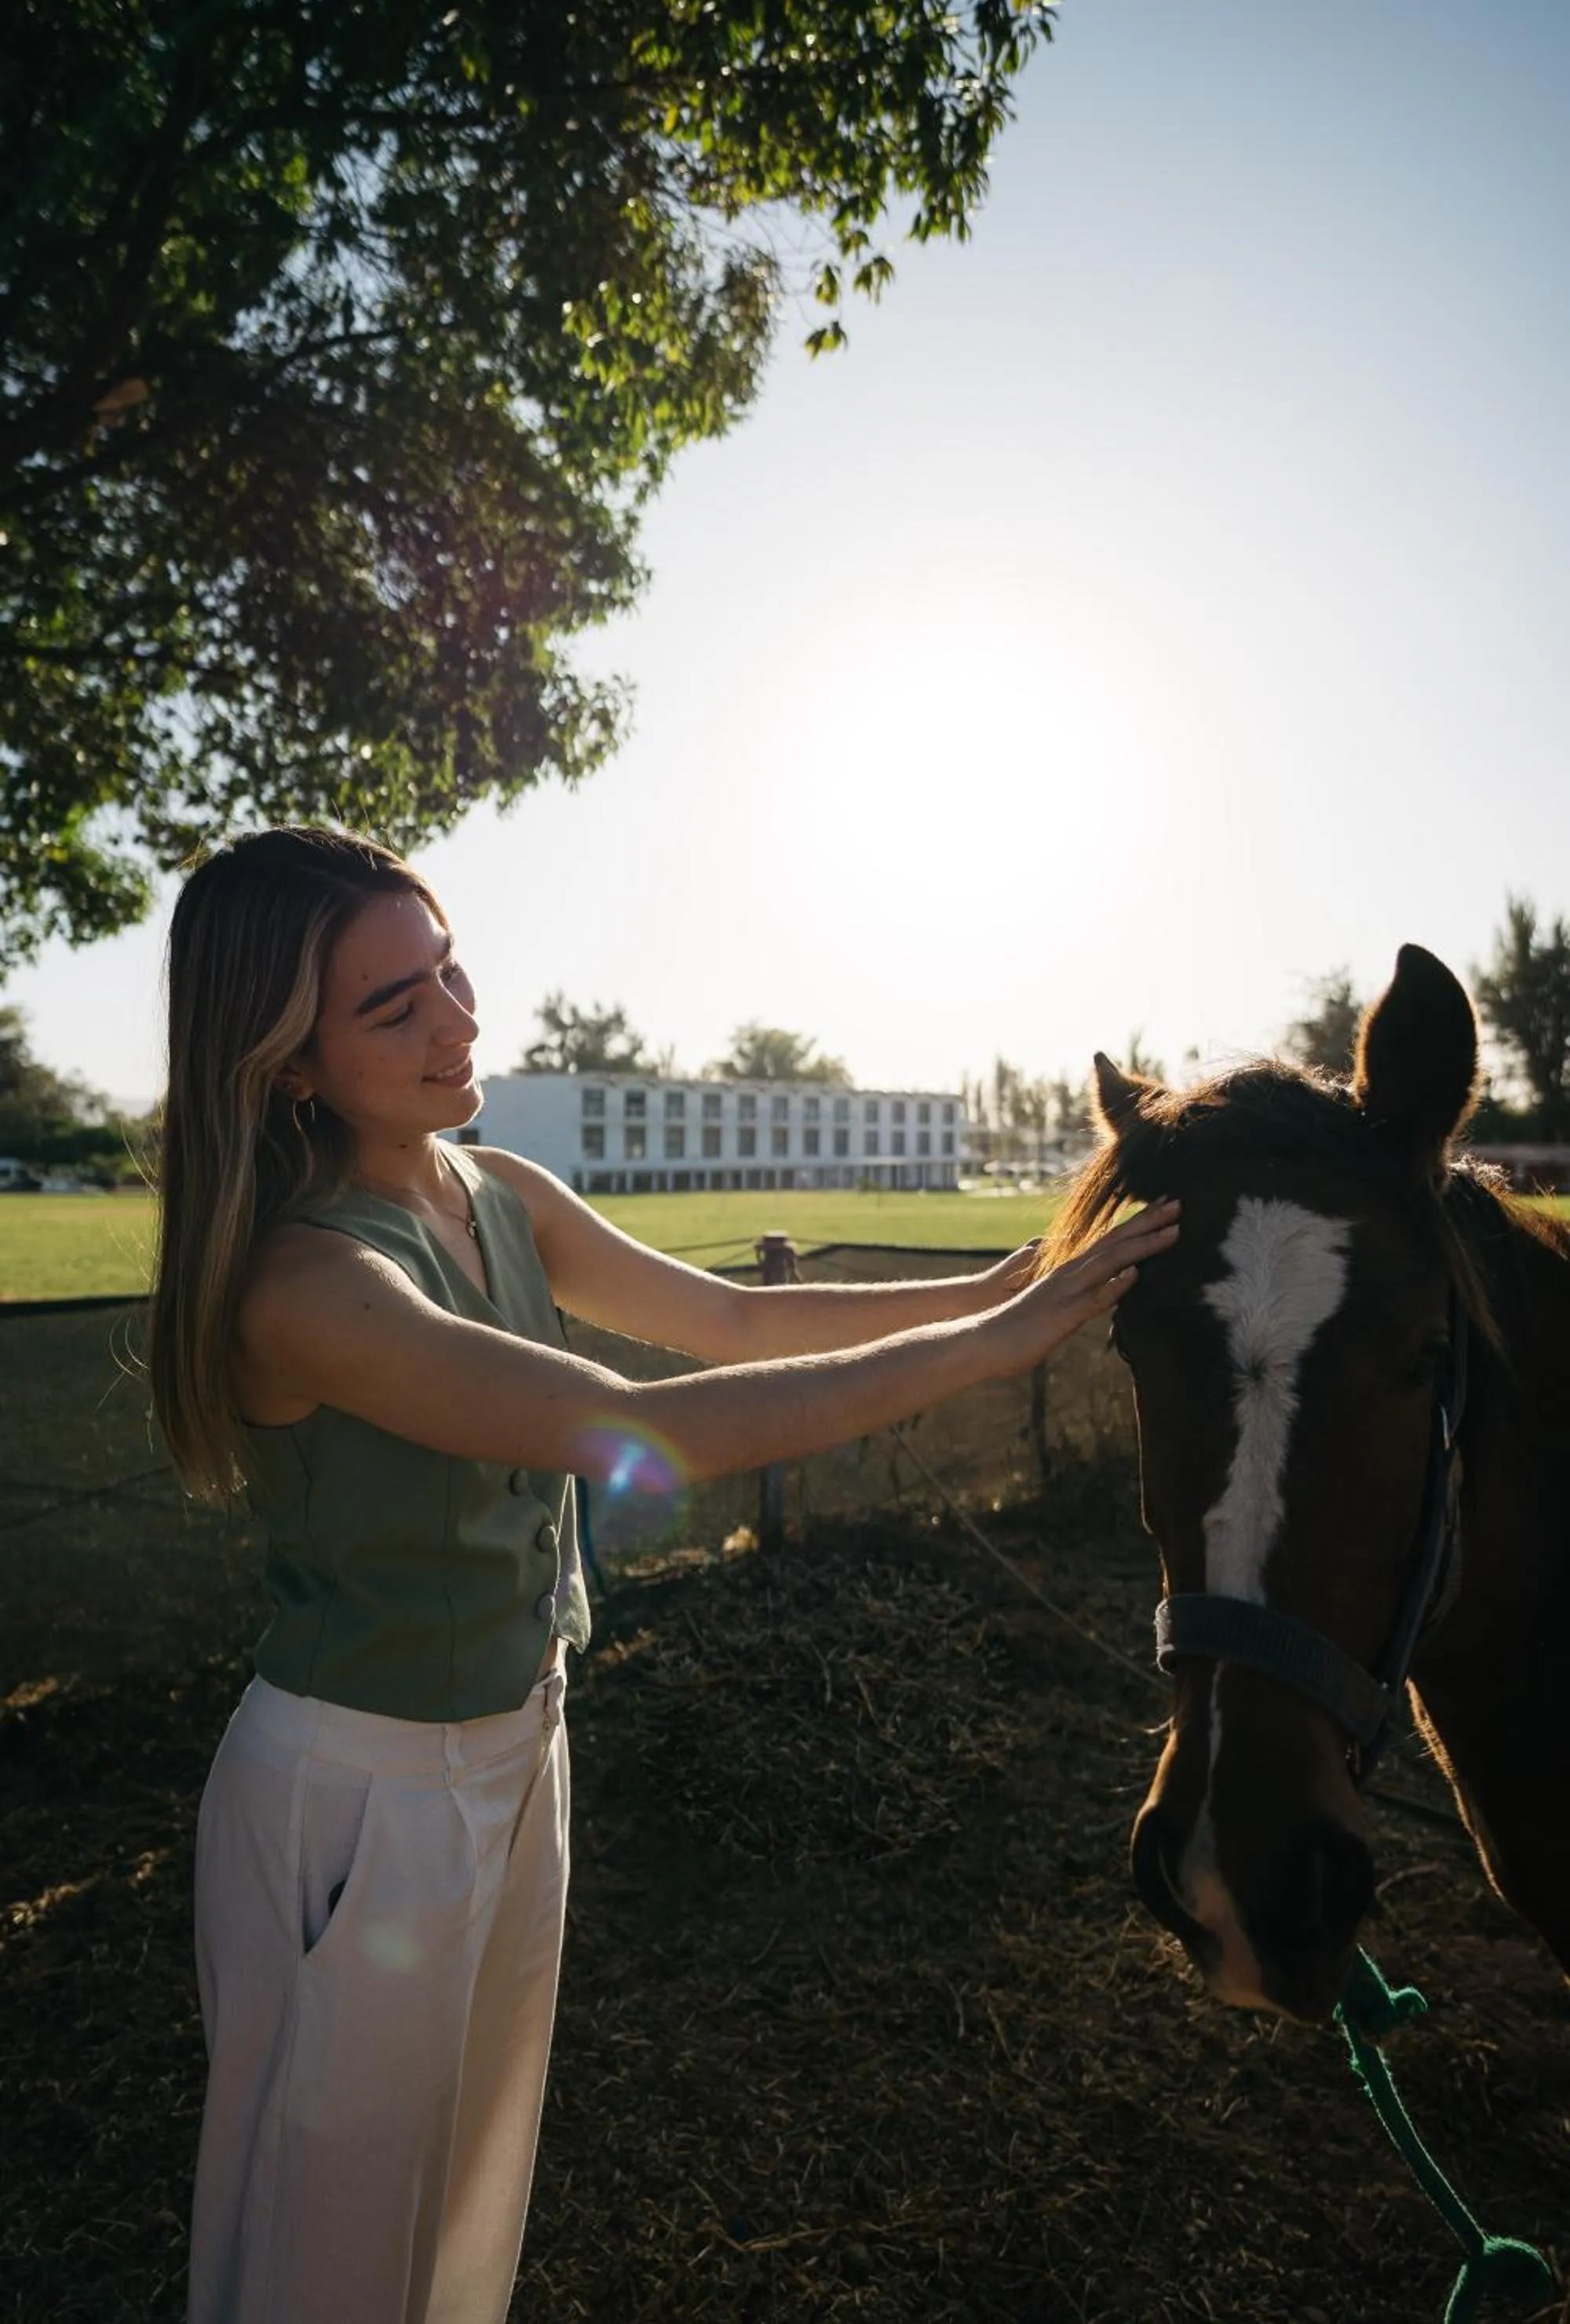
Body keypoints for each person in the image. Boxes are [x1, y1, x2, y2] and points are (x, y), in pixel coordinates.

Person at [148, 824, 1178, 2324]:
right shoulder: (311, 1286)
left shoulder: (492, 1186)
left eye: (447, 969)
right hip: (358, 1803)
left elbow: (730, 1325)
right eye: (396, 1007)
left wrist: (1010, 1280)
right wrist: (984, 1352)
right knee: (329, 2242)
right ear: (287, 1062)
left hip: (519, 1752)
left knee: (462, 2218)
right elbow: (646, 1430)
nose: (459, 1019)